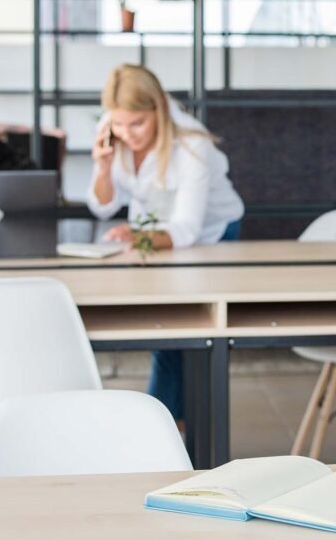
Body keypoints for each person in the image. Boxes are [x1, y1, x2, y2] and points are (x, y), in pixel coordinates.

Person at [87, 64, 244, 423]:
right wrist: (101, 166)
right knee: (170, 338)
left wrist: (135, 236)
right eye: (119, 124)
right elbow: (103, 205)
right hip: (154, 236)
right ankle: (171, 432)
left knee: (185, 340)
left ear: (158, 106)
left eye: (137, 124)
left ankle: (164, 432)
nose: (128, 134)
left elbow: (187, 229)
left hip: (214, 235)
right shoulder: (114, 130)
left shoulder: (192, 145)